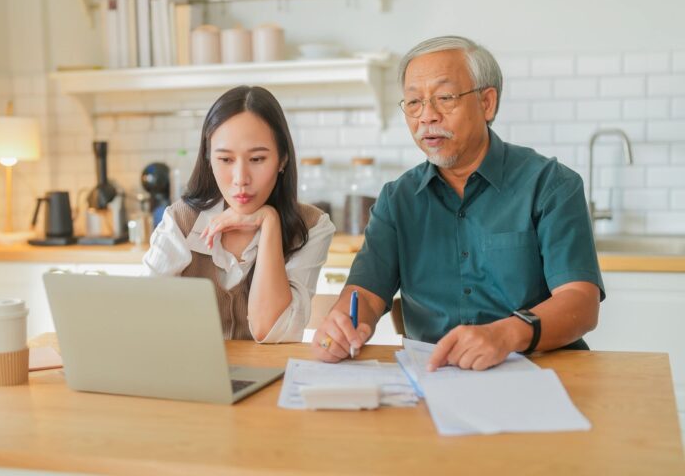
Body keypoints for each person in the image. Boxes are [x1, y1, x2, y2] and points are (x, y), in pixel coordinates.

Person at [312, 36, 604, 370]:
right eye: (413, 102)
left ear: (487, 102)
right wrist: (340, 324)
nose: (427, 116)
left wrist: (506, 334)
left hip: (546, 374)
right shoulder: (397, 200)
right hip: (438, 378)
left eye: (445, 98)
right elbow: (364, 293)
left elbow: (580, 301)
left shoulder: (551, 184)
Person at [144, 85, 336, 343]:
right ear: (208, 159)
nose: (240, 179)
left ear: (282, 160)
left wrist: (269, 221)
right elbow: (143, 317)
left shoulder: (312, 226)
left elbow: (271, 331)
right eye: (225, 160)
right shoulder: (181, 221)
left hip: (276, 379)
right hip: (193, 379)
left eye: (257, 159)